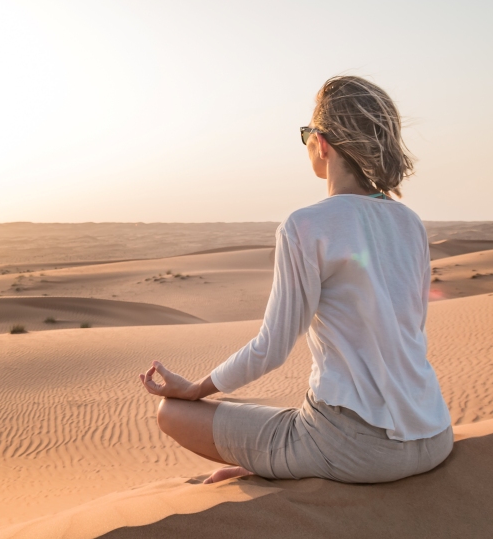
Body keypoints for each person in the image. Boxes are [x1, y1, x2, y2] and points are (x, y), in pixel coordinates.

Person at [139, 76, 453, 485]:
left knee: (173, 413)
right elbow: (410, 331)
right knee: (275, 420)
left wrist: (195, 388)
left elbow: (271, 348)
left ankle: (284, 460)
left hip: (354, 449)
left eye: (307, 133)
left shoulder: (306, 225)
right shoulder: (410, 223)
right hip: (432, 436)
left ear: (322, 143)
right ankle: (277, 457)